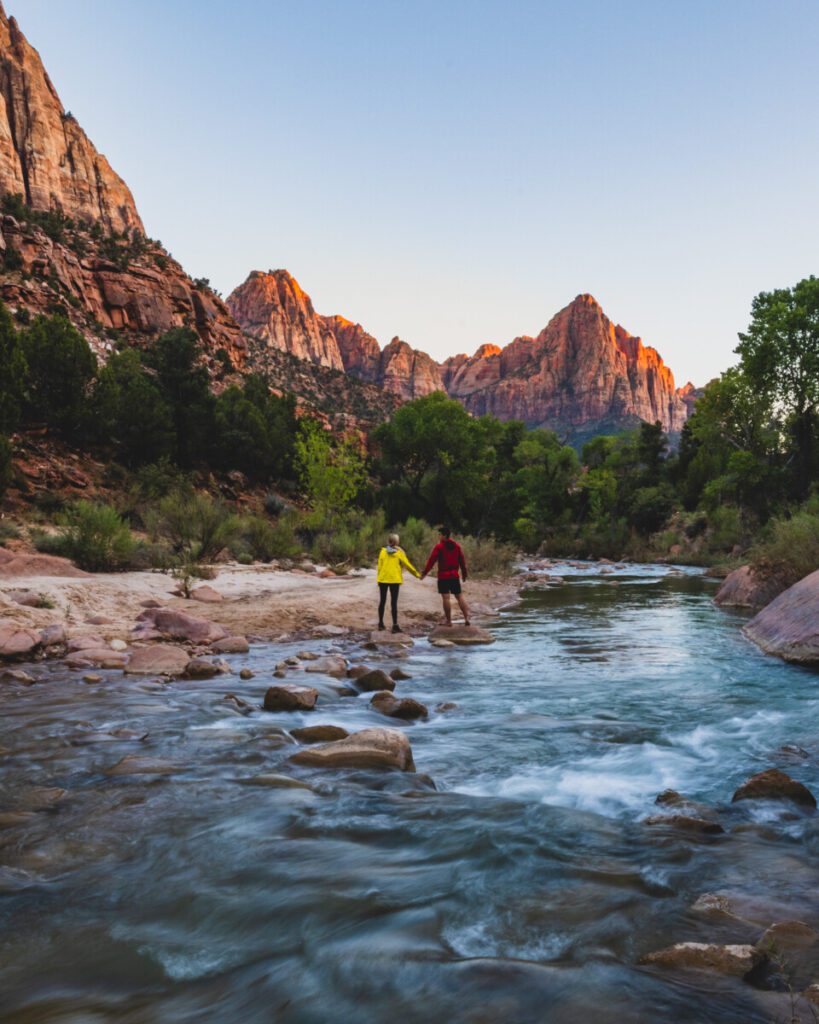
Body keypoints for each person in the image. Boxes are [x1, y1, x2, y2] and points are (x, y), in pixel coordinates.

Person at [421, 526, 470, 626]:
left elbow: (431, 561)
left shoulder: (439, 547)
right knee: (459, 597)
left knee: (446, 598)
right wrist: (464, 574)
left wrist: (424, 573)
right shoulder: (457, 546)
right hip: (454, 576)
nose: (438, 536)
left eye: (439, 534)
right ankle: (466, 618)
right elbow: (462, 561)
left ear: (444, 535)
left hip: (443, 576)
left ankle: (449, 621)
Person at [376, 533, 421, 633]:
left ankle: (380, 624)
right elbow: (407, 565)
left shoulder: (382, 552)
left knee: (382, 602)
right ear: (396, 542)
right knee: (394, 603)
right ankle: (395, 625)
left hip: (383, 579)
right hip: (394, 580)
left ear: (389, 541)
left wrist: (378, 579)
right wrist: (417, 575)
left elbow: (379, 566)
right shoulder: (399, 553)